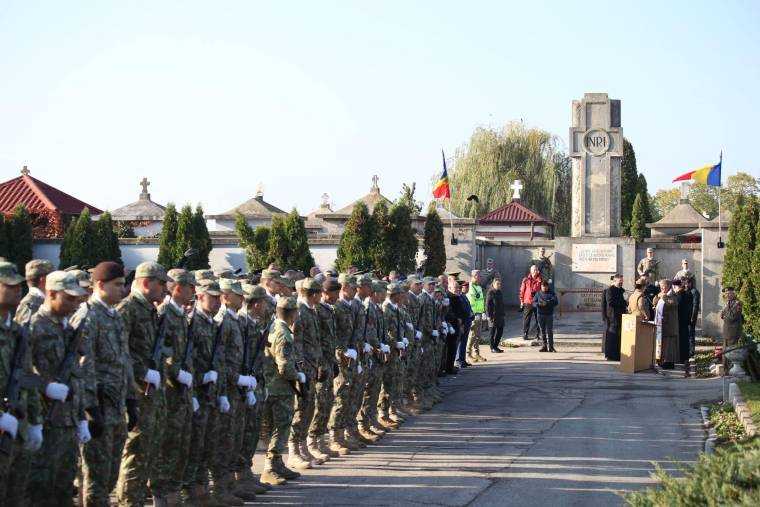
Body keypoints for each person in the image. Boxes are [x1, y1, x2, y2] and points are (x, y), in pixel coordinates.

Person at [72, 262, 134, 507]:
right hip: (98, 408)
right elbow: (82, 364)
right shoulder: (88, 316)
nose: (122, 289)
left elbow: (123, 359)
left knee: (110, 474)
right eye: (117, 285)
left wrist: (131, 399)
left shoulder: (115, 315)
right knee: (95, 477)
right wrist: (90, 409)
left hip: (116, 407)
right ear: (99, 284)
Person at [28, 271, 92, 507]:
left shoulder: (67, 329)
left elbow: (76, 376)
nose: (75, 304)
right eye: (69, 298)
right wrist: (45, 387)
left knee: (64, 490)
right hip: (44, 422)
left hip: (67, 424)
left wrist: (81, 417)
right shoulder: (34, 326)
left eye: (77, 299)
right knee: (40, 491)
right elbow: (21, 375)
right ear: (51, 293)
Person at [115, 261, 168, 507]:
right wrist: (142, 373)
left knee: (148, 450)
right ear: (146, 283)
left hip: (150, 393)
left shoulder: (148, 309)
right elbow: (119, 350)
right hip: (136, 393)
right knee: (135, 454)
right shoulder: (128, 309)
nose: (165, 288)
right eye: (161, 283)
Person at [0, 261, 43, 506]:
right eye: (9, 285)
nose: (18, 290)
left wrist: (35, 422)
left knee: (17, 496)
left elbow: (28, 378)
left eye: (19, 285)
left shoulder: (18, 332)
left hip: (19, 428)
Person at [260, 297, 305, 486]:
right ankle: (270, 468)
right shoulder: (284, 333)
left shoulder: (273, 326)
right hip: (279, 388)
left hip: (271, 385)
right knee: (281, 427)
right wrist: (298, 376)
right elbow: (284, 366)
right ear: (293, 313)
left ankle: (277, 464)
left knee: (277, 426)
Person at [289, 278, 323, 468]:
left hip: (312, 366)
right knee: (300, 409)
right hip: (304, 368)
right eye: (318, 293)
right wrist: (300, 368)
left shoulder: (311, 310)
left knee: (309, 407)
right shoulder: (300, 312)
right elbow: (296, 342)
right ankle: (293, 450)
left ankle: (303, 447)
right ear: (313, 294)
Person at [14, 259, 54, 324]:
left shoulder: (39, 300)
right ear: (44, 280)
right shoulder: (30, 304)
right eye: (52, 277)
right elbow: (25, 332)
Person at [654, 279, 679, 369]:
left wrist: (664, 297)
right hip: (661, 323)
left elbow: (672, 303)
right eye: (660, 287)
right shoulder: (662, 294)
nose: (661, 288)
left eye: (663, 287)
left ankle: (668, 362)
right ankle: (661, 360)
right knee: (662, 344)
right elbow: (655, 303)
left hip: (669, 324)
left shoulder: (672, 295)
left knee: (669, 345)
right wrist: (657, 297)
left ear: (668, 286)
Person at [602, 274, 627, 361]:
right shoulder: (610, 290)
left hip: (621, 316)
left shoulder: (622, 291)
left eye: (622, 282)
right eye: (620, 282)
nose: (621, 283)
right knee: (612, 337)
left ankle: (617, 354)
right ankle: (610, 355)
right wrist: (622, 303)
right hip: (612, 317)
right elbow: (610, 302)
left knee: (618, 337)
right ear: (615, 281)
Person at [532, 280, 558, 353]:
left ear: (547, 286)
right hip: (540, 315)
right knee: (542, 331)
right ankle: (544, 346)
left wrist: (547, 303)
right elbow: (533, 302)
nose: (544, 288)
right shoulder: (538, 293)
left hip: (549, 315)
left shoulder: (552, 293)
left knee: (549, 331)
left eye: (545, 287)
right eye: (543, 287)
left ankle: (551, 347)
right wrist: (538, 304)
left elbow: (556, 302)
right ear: (541, 287)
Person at [466, 270, 486, 362]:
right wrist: (474, 314)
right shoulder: (470, 287)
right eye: (479, 276)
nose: (480, 278)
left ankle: (476, 353)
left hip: (479, 313)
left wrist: (483, 312)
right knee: (472, 335)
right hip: (474, 315)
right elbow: (471, 302)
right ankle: (468, 354)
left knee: (478, 335)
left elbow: (480, 300)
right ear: (474, 276)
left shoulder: (478, 286)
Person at [519, 265, 542, 343]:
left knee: (538, 319)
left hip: (537, 302)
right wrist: (521, 301)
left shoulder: (540, 279)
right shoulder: (526, 280)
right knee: (527, 319)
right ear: (531, 271)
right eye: (534, 269)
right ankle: (525, 334)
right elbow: (522, 291)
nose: (535, 271)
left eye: (536, 269)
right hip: (528, 301)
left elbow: (543, 290)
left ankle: (538, 334)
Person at [672, 279, 692, 364]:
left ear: (674, 287)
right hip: (686, 320)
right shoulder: (688, 294)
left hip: (678, 321)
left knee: (680, 340)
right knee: (685, 339)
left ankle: (680, 358)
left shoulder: (677, 296)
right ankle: (685, 357)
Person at [456, 281, 473, 369]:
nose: (467, 288)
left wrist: (472, 315)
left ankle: (463, 359)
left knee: (464, 342)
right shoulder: (459, 297)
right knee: (461, 342)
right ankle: (459, 360)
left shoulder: (464, 296)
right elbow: (461, 311)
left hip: (467, 321)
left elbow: (468, 308)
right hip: (463, 322)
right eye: (465, 287)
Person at [485, 279, 505, 353]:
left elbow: (501, 304)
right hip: (493, 316)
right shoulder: (490, 292)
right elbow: (487, 305)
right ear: (493, 284)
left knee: (500, 331)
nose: (499, 285)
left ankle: (496, 346)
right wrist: (489, 316)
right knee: (492, 333)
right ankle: (492, 347)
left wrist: (503, 313)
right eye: (497, 284)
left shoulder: (499, 292)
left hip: (500, 315)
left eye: (499, 284)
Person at [686, 278, 700, 357]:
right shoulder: (688, 291)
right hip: (688, 316)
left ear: (691, 283)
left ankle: (691, 351)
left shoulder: (694, 292)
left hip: (691, 316)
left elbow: (695, 306)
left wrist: (692, 317)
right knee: (688, 334)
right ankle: (689, 350)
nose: (686, 285)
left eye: (687, 283)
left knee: (691, 334)